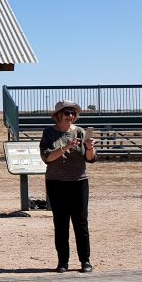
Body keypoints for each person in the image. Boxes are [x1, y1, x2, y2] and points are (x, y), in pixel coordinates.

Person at [40, 100, 97, 273]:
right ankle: (63, 262)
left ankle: (85, 261)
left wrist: (89, 148)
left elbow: (90, 158)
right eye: (67, 113)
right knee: (61, 223)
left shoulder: (80, 132)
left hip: (79, 182)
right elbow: (47, 158)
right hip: (56, 183)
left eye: (73, 113)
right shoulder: (49, 133)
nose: (70, 116)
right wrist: (65, 147)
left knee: (81, 222)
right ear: (58, 115)